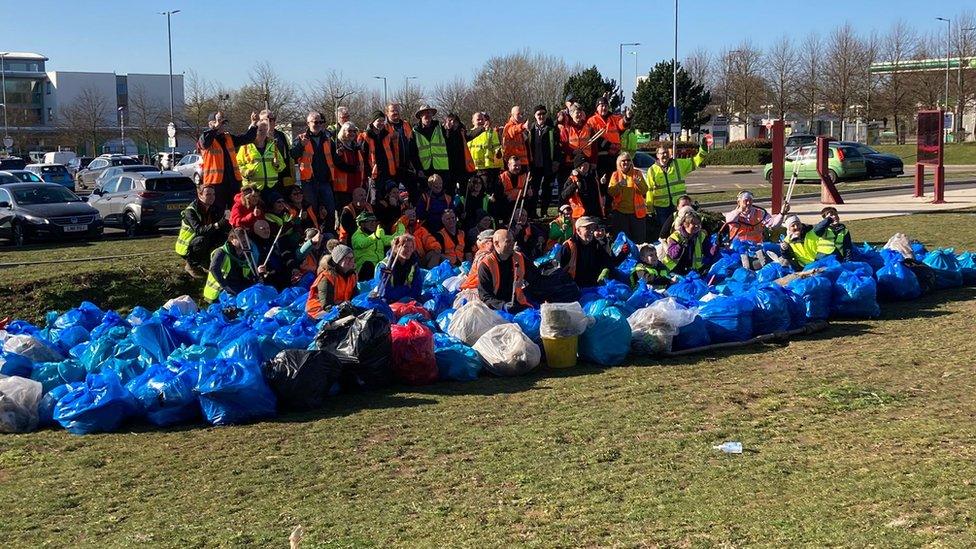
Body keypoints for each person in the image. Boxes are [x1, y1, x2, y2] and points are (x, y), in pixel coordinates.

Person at [198, 111, 258, 211]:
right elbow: (204, 142)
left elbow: (247, 138)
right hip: (214, 184)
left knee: (236, 209)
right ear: (210, 124)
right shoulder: (205, 138)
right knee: (216, 212)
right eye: (219, 122)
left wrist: (253, 124)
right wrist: (215, 127)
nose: (222, 126)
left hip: (233, 182)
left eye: (223, 123)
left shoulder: (228, 138)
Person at [291, 111, 338, 229]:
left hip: (325, 180)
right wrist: (301, 145)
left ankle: (329, 234)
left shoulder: (327, 139)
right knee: (312, 210)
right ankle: (313, 236)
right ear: (308, 123)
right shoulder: (301, 138)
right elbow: (293, 155)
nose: (318, 124)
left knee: (330, 209)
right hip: (308, 181)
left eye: (320, 122)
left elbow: (334, 157)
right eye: (315, 122)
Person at [646, 139, 707, 224]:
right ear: (657, 155)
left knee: (680, 228)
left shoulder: (678, 164)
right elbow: (649, 191)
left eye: (666, 153)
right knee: (664, 230)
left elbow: (695, 161)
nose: (665, 155)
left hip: (678, 205)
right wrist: (650, 210)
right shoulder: (652, 170)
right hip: (661, 207)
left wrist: (703, 150)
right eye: (662, 153)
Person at [175, 184, 229, 278]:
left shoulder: (213, 208)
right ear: (200, 195)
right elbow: (199, 230)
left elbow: (218, 228)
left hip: (205, 240)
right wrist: (218, 224)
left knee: (224, 236)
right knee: (201, 239)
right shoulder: (190, 211)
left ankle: (208, 263)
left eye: (213, 194)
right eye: (208, 194)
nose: (212, 197)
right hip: (188, 246)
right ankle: (191, 265)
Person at [559, 216, 629, 288]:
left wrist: (622, 254)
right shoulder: (568, 247)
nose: (591, 231)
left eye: (592, 228)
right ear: (578, 231)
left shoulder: (596, 244)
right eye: (587, 228)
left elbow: (608, 261)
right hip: (575, 286)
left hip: (594, 283)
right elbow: (561, 272)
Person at [478, 229, 532, 313]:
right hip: (497, 308)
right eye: (508, 241)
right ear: (496, 244)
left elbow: (535, 278)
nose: (513, 244)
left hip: (518, 302)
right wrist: (503, 306)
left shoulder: (519, 257)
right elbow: (485, 296)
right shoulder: (486, 264)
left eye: (513, 240)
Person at [203, 229, 258, 302]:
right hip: (219, 293)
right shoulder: (222, 252)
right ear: (232, 240)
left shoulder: (247, 254)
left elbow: (246, 274)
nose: (245, 242)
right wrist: (226, 286)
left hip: (237, 289)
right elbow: (213, 269)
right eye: (242, 240)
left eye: (246, 239)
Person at [607, 152, 650, 244]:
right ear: (619, 163)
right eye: (623, 161)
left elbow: (644, 191)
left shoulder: (637, 173)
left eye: (628, 160)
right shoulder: (615, 175)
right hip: (621, 213)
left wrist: (638, 183)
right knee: (623, 242)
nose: (626, 162)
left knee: (639, 241)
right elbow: (611, 192)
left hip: (637, 214)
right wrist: (618, 185)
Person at [306, 244, 358, 319]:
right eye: (347, 258)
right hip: (318, 311)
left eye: (352, 257)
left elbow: (355, 298)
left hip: (339, 307)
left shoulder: (352, 276)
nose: (351, 260)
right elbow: (327, 306)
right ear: (338, 260)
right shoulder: (328, 277)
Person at [236, 120, 284, 201]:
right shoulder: (245, 146)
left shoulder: (272, 145)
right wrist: (246, 171)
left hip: (272, 187)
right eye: (260, 130)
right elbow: (237, 165)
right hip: (253, 187)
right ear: (255, 131)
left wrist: (277, 165)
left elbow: (282, 164)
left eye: (265, 130)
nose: (263, 133)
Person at [526, 105, 560, 218]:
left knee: (547, 189)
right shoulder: (530, 130)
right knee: (534, 191)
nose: (541, 116)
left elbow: (558, 147)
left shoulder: (552, 129)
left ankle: (544, 212)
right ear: (535, 116)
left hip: (548, 165)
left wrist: (556, 161)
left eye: (543, 114)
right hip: (534, 165)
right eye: (539, 114)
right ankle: (533, 212)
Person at [587, 97, 632, 181]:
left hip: (615, 155)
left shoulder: (614, 118)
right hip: (601, 156)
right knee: (603, 182)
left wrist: (627, 117)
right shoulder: (592, 120)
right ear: (597, 107)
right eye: (602, 106)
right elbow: (593, 138)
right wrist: (608, 145)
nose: (604, 108)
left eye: (606, 106)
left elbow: (622, 125)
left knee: (616, 181)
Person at [351, 212, 402, 279]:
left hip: (379, 268)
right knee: (368, 265)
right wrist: (375, 236)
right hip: (364, 271)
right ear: (362, 224)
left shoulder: (378, 234)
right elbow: (362, 243)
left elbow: (394, 240)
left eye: (375, 221)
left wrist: (401, 227)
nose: (373, 224)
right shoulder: (357, 236)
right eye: (370, 221)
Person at [386, 102, 421, 200]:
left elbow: (413, 145)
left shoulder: (406, 124)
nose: (395, 112)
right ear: (387, 113)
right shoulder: (385, 126)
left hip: (407, 167)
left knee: (414, 193)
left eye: (397, 110)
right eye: (393, 111)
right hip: (393, 169)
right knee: (394, 196)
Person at [663, 207, 711, 276]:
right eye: (693, 224)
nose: (697, 226)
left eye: (698, 224)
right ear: (685, 224)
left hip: (692, 270)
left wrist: (718, 245)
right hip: (673, 270)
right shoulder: (675, 237)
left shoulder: (701, 235)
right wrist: (680, 245)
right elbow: (673, 255)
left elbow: (708, 251)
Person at [414, 105, 451, 192]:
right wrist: (418, 169)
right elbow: (413, 153)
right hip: (425, 170)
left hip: (442, 168)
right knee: (426, 195)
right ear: (420, 116)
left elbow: (449, 142)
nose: (428, 116)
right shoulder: (415, 131)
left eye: (430, 113)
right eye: (425, 113)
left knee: (442, 195)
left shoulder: (440, 127)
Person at [377, 234, 424, 303]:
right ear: (396, 248)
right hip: (390, 301)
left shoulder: (414, 264)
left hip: (409, 300)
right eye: (405, 247)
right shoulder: (385, 266)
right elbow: (384, 291)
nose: (409, 250)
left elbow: (417, 289)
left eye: (411, 247)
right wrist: (406, 290)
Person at [332, 121, 366, 211]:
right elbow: (338, 164)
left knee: (356, 211)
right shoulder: (338, 145)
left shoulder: (356, 146)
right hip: (342, 188)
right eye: (349, 131)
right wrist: (354, 169)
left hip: (355, 184)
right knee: (344, 212)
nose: (352, 133)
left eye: (354, 131)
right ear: (343, 131)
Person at [561, 151, 604, 220]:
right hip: (579, 215)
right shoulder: (572, 178)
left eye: (587, 165)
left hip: (594, 213)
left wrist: (602, 184)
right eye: (583, 165)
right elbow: (564, 195)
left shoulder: (592, 178)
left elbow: (597, 195)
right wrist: (575, 185)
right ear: (578, 167)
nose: (585, 167)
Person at [559, 103, 595, 185]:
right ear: (571, 114)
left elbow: (594, 146)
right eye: (576, 113)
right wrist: (573, 152)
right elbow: (563, 146)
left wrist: (594, 161)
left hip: (586, 162)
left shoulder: (588, 127)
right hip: (571, 163)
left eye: (580, 112)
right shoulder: (566, 129)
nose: (579, 115)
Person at [361, 110, 397, 190]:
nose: (381, 123)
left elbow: (391, 152)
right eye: (378, 121)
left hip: (387, 172)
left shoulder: (386, 135)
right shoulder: (365, 136)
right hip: (373, 173)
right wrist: (368, 172)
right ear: (372, 121)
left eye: (383, 121)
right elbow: (363, 157)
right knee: (374, 198)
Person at [259, 109, 294, 188]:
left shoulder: (281, 135)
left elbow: (288, 154)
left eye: (273, 119)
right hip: (264, 176)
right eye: (268, 119)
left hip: (280, 174)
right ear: (261, 121)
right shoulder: (256, 137)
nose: (271, 122)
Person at [466, 111, 503, 186]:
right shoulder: (468, 134)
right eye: (478, 120)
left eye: (482, 119)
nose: (481, 121)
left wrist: (498, 152)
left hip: (486, 169)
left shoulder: (491, 132)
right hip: (472, 169)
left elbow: (496, 147)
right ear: (473, 121)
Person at [444, 113, 474, 195]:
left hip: (462, 167)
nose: (453, 123)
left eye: (455, 121)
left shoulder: (462, 132)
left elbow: (471, 135)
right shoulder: (443, 133)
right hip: (449, 168)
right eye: (450, 120)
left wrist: (481, 129)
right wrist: (448, 130)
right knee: (450, 191)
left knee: (464, 191)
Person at [499, 155, 530, 223]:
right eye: (515, 165)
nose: (518, 167)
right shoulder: (502, 177)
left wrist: (529, 193)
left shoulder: (524, 176)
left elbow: (527, 193)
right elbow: (498, 195)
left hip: (521, 204)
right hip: (507, 205)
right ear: (509, 165)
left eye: (519, 165)